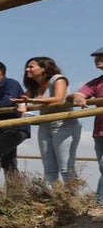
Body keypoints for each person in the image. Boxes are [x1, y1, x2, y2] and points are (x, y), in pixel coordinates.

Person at [18, 56, 80, 186]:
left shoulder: (57, 79)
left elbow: (58, 99)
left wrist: (32, 101)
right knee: (49, 168)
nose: (27, 69)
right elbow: (22, 100)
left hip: (63, 124)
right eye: (27, 66)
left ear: (44, 68)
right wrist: (23, 106)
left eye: (31, 66)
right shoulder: (34, 86)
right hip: (45, 125)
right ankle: (55, 199)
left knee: (65, 167)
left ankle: (72, 200)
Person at [70, 46, 103, 205]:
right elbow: (80, 93)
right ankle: (100, 203)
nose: (98, 59)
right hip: (100, 132)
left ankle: (100, 202)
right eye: (97, 57)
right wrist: (80, 97)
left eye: (102, 56)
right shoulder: (97, 83)